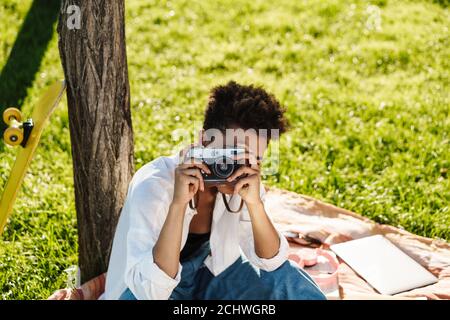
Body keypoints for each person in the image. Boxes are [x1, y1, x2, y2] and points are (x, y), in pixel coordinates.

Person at [103, 81, 326, 300]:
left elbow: (272, 262)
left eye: (252, 159)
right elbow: (149, 292)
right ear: (204, 139)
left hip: (209, 274)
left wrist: (255, 203)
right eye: (233, 153)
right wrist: (178, 204)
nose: (237, 165)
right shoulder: (154, 184)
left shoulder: (245, 177)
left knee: (287, 279)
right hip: (144, 289)